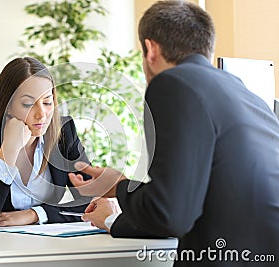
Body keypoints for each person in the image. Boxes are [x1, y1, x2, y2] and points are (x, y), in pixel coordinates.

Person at [68, 1, 279, 266]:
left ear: (150, 49)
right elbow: (195, 204)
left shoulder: (172, 83)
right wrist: (119, 192)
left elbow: (169, 214)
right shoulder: (250, 97)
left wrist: (118, 187)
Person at [0, 57, 91, 230]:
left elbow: (93, 201)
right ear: (8, 105)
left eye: (47, 102)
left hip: (50, 244)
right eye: (28, 104)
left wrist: (35, 214)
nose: (42, 114)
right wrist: (8, 152)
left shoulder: (64, 132)